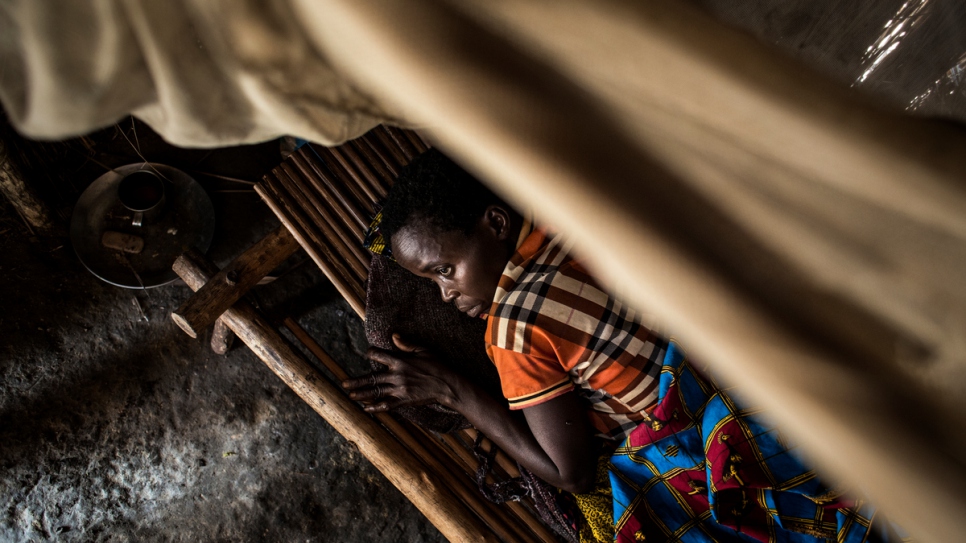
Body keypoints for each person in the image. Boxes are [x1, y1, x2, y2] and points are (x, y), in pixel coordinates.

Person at [343, 149, 903, 543]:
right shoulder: (575, 219)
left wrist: (454, 390)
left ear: (494, 223)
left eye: (445, 270)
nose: (445, 295)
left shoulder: (513, 328)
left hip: (706, 436)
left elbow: (570, 474)